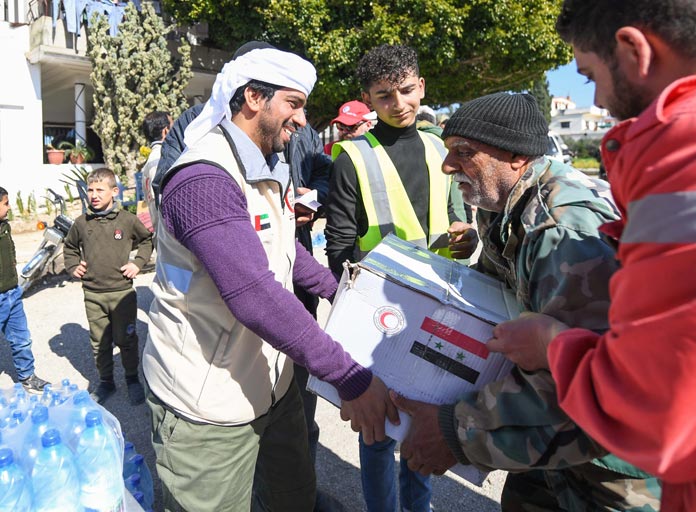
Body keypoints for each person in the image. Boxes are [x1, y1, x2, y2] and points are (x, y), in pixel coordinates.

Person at [492, 1, 696, 511]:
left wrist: (551, 345)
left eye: (589, 75)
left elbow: (665, 412)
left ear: (633, 50)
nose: (600, 98)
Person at [141, 45, 397, 512]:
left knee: (293, 498)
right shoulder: (204, 178)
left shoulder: (265, 166)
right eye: (294, 104)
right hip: (210, 404)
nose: (302, 120)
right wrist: (349, 376)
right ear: (254, 98)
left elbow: (285, 251)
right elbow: (253, 294)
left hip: (272, 385)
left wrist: (342, 293)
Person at [389, 92, 660, 511]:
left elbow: (582, 382)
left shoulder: (559, 231)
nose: (447, 167)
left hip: (611, 467)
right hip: (551, 453)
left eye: (464, 153)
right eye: (448, 152)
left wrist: (453, 434)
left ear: (516, 156)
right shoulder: (499, 204)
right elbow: (498, 302)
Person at [325, 44, 476, 512]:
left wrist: (466, 240)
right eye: (384, 95)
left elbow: (457, 221)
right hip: (382, 310)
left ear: (422, 87)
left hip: (439, 307)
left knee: (422, 422)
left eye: (407, 91)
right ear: (369, 98)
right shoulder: (351, 155)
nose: (399, 104)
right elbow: (338, 245)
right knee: (378, 430)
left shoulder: (439, 148)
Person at [63, 168, 153, 405]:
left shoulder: (127, 220)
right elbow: (70, 247)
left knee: (127, 339)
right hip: (93, 294)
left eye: (99, 190)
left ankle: (132, 379)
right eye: (90, 190)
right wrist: (72, 266)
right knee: (99, 343)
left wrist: (138, 263)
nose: (93, 195)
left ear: (114, 192)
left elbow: (146, 241)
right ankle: (106, 382)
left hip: (122, 293)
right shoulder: (81, 223)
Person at [0, 187, 50, 394]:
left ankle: (27, 376)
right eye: (5, 203)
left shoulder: (5, 227)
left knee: (21, 338)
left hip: (12, 292)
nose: (9, 207)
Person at [140, 110, 172, 232]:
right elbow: (161, 199)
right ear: (166, 131)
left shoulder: (155, 157)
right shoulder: (159, 159)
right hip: (166, 236)